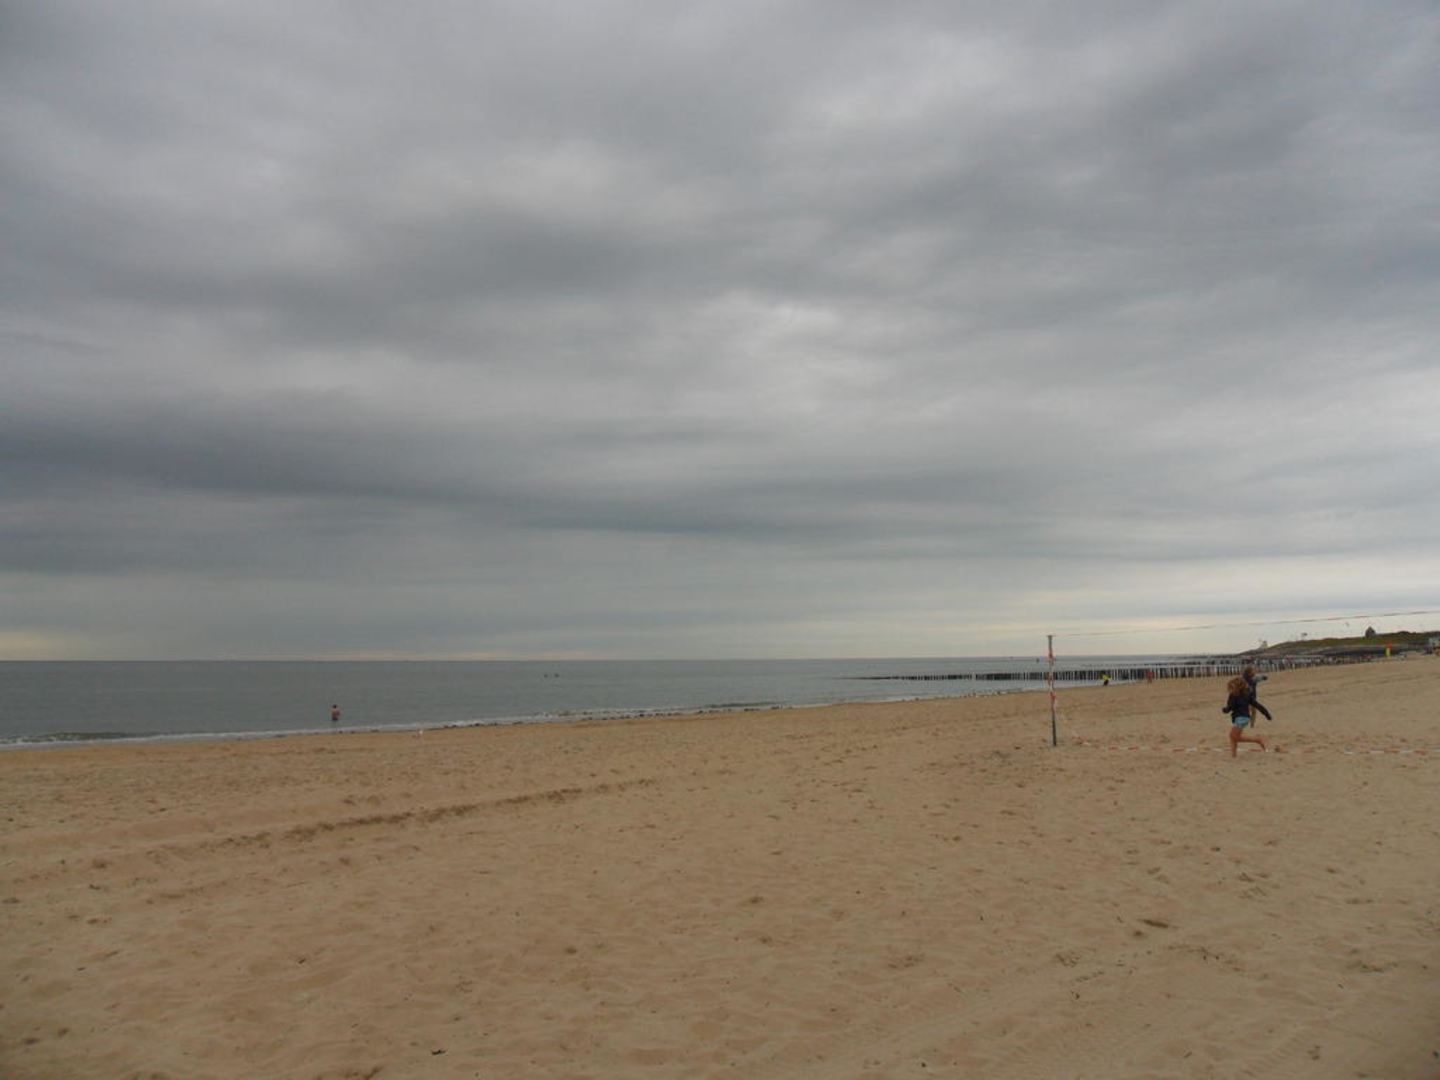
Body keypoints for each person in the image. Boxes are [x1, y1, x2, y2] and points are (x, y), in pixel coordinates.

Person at [1222, 675, 1270, 756]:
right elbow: (1257, 705)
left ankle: (1258, 739)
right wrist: (1267, 714)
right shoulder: (1246, 694)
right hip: (1245, 718)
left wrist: (1225, 710)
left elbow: (1230, 707)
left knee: (1235, 737)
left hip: (1241, 719)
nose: (1230, 688)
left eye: (1232, 686)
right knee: (1233, 737)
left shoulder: (1234, 695)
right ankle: (1233, 755)